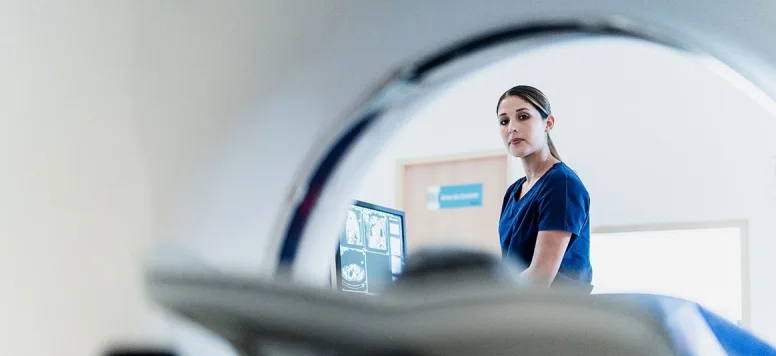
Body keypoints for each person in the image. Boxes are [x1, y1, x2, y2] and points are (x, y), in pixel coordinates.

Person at [496, 85, 592, 290]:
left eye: (523, 117)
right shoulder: (514, 191)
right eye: (504, 121)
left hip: (557, 313)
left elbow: (540, 276)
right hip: (521, 310)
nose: (512, 127)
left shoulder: (561, 184)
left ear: (548, 123)